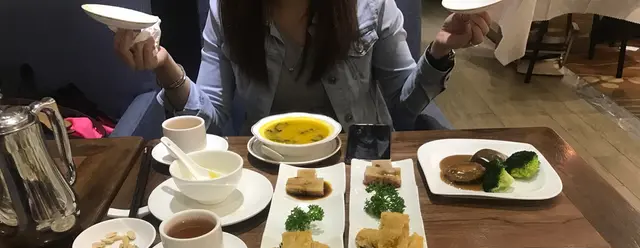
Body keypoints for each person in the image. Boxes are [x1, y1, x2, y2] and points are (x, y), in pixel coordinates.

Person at [114, 0, 490, 134]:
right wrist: (165, 67)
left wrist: (439, 50)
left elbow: (401, 109)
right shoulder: (227, 10)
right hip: (270, 166)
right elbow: (212, 122)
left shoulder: (370, 6)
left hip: (360, 162)